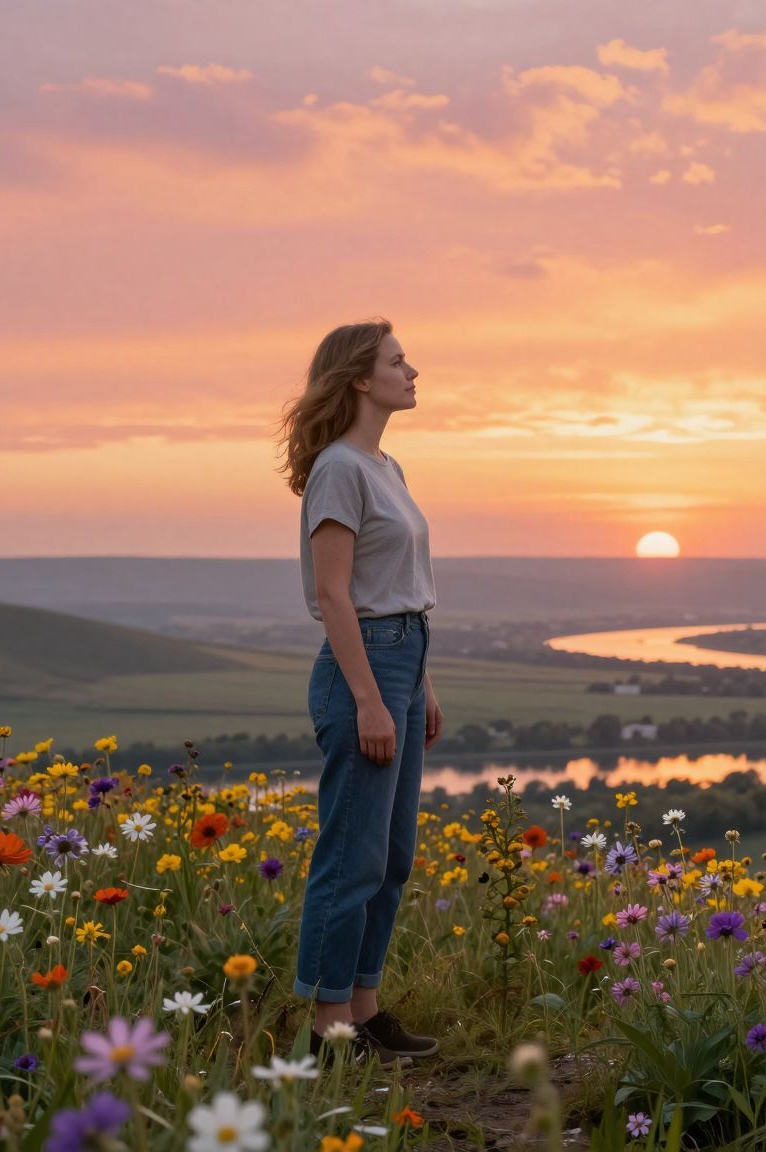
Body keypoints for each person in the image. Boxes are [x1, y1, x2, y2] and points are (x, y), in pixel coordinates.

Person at [275, 317, 445, 1063]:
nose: (412, 372)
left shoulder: (386, 465)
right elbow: (335, 594)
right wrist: (371, 699)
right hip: (364, 668)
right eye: (398, 362)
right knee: (351, 857)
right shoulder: (338, 469)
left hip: (403, 658)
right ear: (358, 379)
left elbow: (395, 584)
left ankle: (365, 1009)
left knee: (393, 854)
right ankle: (326, 1029)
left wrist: (419, 683)